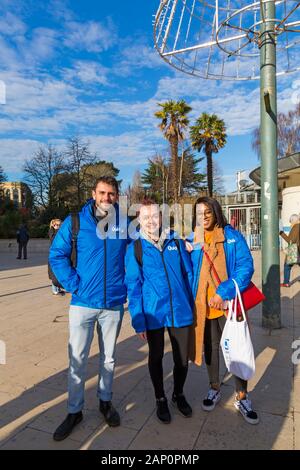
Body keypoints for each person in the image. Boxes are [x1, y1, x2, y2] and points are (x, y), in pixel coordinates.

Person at [49, 176, 128, 441]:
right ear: (94, 193)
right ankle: (74, 411)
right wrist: (74, 284)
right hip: (82, 303)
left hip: (113, 304)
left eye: (112, 194)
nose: (107, 198)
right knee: (78, 360)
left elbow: (145, 246)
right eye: (102, 193)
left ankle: (105, 401)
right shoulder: (76, 222)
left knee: (109, 358)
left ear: (117, 196)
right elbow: (56, 255)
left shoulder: (125, 222)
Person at [188, 196, 259, 425]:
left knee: (236, 349)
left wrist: (223, 292)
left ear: (216, 212)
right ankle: (214, 387)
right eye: (200, 213)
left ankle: (242, 396)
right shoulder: (194, 238)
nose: (204, 216)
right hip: (204, 308)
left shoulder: (232, 236)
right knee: (211, 350)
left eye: (208, 212)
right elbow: (189, 270)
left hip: (227, 305)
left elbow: (246, 266)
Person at [125, 199, 194, 424]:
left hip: (179, 309)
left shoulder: (176, 241)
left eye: (155, 216)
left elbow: (188, 274)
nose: (151, 221)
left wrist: (193, 305)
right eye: (145, 217)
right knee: (155, 357)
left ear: (161, 216)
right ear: (139, 219)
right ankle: (160, 397)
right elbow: (133, 286)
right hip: (153, 311)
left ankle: (178, 393)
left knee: (182, 360)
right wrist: (138, 320)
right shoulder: (135, 248)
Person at [280, 214, 300, 287]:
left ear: (293, 220)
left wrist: (281, 233)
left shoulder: (296, 227)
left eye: (291, 221)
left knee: (287, 266)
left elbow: (291, 240)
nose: (290, 223)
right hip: (298, 249)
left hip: (294, 250)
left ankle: (286, 282)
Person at [48, 219, 64, 295]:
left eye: (59, 225)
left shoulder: (60, 232)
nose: (58, 226)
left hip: (60, 254)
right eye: (56, 225)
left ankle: (58, 288)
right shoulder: (52, 232)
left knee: (59, 272)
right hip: (54, 255)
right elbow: (53, 240)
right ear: (53, 225)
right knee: (54, 273)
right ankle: (54, 289)